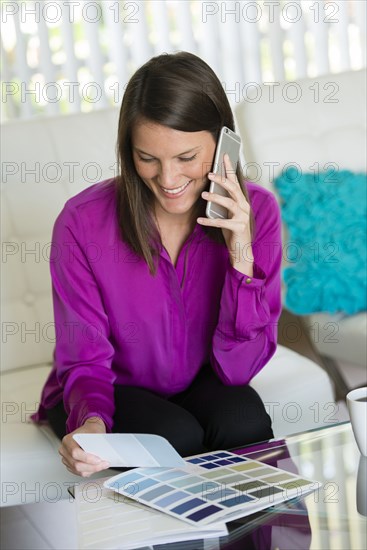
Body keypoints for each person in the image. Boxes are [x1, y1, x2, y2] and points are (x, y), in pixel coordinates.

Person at [32, 51, 282, 478]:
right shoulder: (82, 223)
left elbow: (236, 371)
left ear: (224, 143)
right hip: (105, 387)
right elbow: (86, 359)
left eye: (186, 157)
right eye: (147, 157)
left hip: (199, 380)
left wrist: (241, 254)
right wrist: (91, 425)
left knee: (245, 421)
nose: (167, 179)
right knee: (173, 438)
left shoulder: (257, 212)